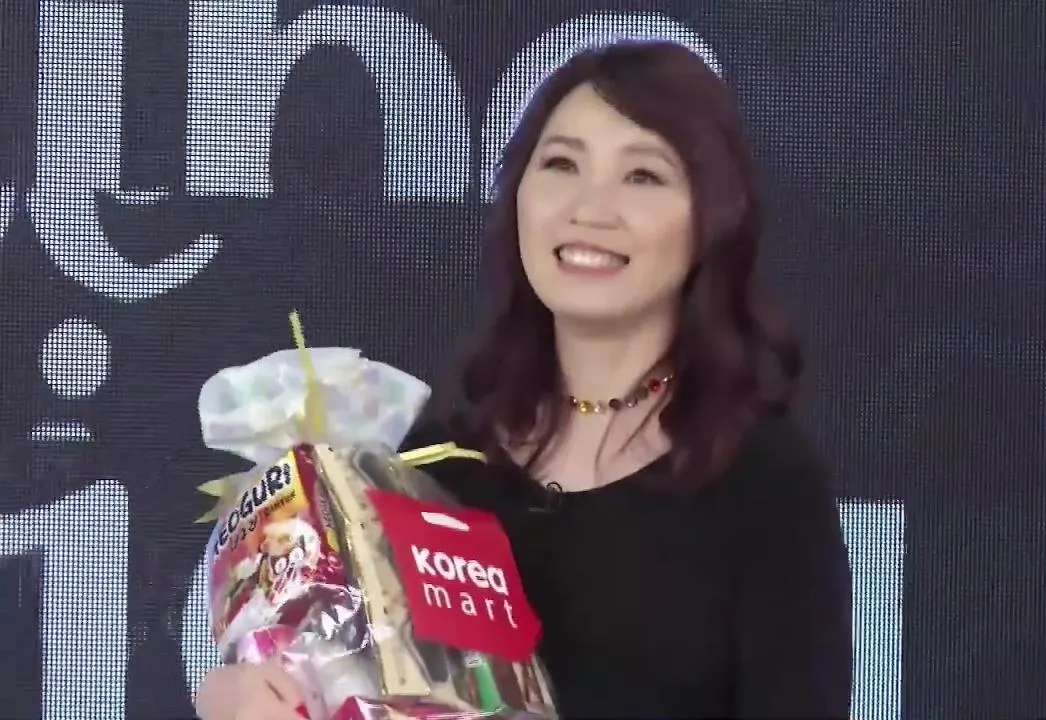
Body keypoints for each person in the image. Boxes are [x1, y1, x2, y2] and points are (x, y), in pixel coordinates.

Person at [195, 40, 852, 719]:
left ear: (710, 219)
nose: (590, 208)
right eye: (562, 164)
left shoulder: (764, 483)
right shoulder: (437, 464)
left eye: (643, 175)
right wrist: (249, 698)